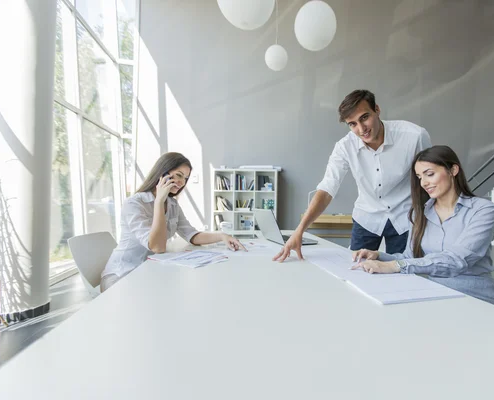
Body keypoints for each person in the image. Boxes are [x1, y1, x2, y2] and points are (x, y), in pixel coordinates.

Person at [273, 89, 431, 262]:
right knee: (355, 270)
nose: (361, 129)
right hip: (367, 218)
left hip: (406, 217)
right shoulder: (344, 147)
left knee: (401, 271)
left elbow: (429, 180)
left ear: (377, 110)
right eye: (352, 124)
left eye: (364, 117)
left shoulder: (414, 136)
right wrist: (300, 230)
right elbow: (327, 188)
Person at [351, 145, 494, 308]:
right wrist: (379, 256)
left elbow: (456, 260)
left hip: (476, 298)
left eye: (429, 174)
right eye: (419, 177)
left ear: (453, 170)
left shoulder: (483, 210)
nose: (424, 183)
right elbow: (409, 258)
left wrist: (394, 266)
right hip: (433, 294)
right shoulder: (420, 213)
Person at [101, 152, 246, 292]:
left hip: (149, 270)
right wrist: (159, 202)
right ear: (162, 173)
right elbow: (157, 247)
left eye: (185, 179)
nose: (182, 182)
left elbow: (192, 235)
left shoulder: (172, 204)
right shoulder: (134, 204)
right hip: (123, 274)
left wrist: (222, 236)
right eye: (178, 175)